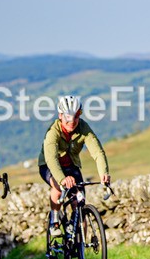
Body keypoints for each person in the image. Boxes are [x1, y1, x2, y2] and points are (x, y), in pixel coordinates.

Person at [39, 95, 110, 238]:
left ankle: (81, 251)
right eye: (68, 117)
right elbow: (51, 159)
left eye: (76, 116)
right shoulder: (53, 132)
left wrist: (104, 173)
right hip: (49, 166)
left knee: (80, 203)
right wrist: (62, 179)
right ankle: (54, 221)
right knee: (58, 188)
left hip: (71, 166)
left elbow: (97, 152)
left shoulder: (83, 127)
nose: (72, 121)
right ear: (60, 115)